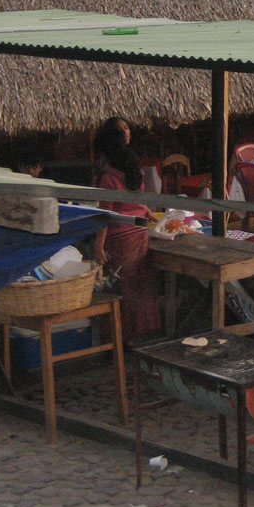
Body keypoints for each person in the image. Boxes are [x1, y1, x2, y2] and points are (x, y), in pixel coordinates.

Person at [92, 116, 160, 344]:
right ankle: (140, 336)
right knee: (140, 288)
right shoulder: (131, 166)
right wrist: (149, 214)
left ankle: (125, 339)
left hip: (120, 240)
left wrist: (98, 245)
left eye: (128, 127)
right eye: (124, 129)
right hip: (139, 236)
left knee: (124, 290)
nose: (128, 132)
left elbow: (106, 213)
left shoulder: (108, 174)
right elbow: (135, 197)